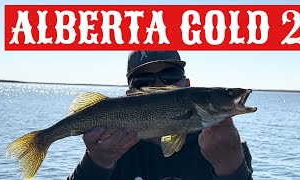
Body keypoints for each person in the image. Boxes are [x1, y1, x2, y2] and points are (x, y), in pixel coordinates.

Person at [67, 51, 253, 180]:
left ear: (187, 84)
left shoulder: (228, 148)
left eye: (170, 75)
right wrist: (96, 163)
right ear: (130, 94)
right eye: (144, 81)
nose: (157, 85)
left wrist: (231, 170)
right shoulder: (110, 151)